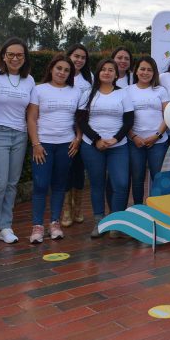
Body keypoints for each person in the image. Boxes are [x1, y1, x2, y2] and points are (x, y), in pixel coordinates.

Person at [0, 37, 35, 247]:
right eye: (10, 54)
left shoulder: (29, 80)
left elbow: (32, 110)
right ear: (3, 56)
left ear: (25, 58)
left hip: (19, 134)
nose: (15, 58)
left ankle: (5, 226)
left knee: (12, 183)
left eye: (19, 55)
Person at [26, 54, 82, 243]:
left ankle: (55, 223)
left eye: (66, 70)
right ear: (51, 69)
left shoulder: (75, 92)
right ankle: (37, 226)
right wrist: (36, 144)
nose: (62, 72)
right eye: (59, 68)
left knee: (59, 185)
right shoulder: (39, 90)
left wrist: (78, 138)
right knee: (41, 185)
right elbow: (31, 118)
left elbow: (79, 119)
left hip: (66, 145)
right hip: (43, 145)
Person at [77, 59, 135, 238]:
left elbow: (129, 120)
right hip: (92, 146)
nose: (107, 72)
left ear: (116, 75)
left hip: (118, 146)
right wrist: (96, 140)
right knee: (97, 184)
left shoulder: (123, 93)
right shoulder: (88, 93)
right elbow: (81, 120)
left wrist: (116, 138)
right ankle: (99, 222)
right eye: (103, 69)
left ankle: (116, 222)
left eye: (111, 70)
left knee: (121, 184)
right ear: (98, 72)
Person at [126, 56, 170, 208]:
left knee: (157, 178)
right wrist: (133, 136)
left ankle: (156, 210)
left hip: (158, 142)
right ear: (136, 71)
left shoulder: (161, 90)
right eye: (142, 69)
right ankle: (139, 209)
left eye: (149, 70)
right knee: (137, 178)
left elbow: (168, 115)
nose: (145, 72)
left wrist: (157, 136)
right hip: (135, 142)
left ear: (154, 73)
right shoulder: (127, 91)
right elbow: (124, 118)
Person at [61, 43, 93, 228]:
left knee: (79, 170)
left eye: (83, 57)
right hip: (64, 131)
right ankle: (66, 209)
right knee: (66, 169)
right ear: (69, 56)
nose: (79, 60)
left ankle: (78, 208)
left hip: (83, 131)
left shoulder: (89, 79)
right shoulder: (62, 75)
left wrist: (81, 134)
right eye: (76, 56)